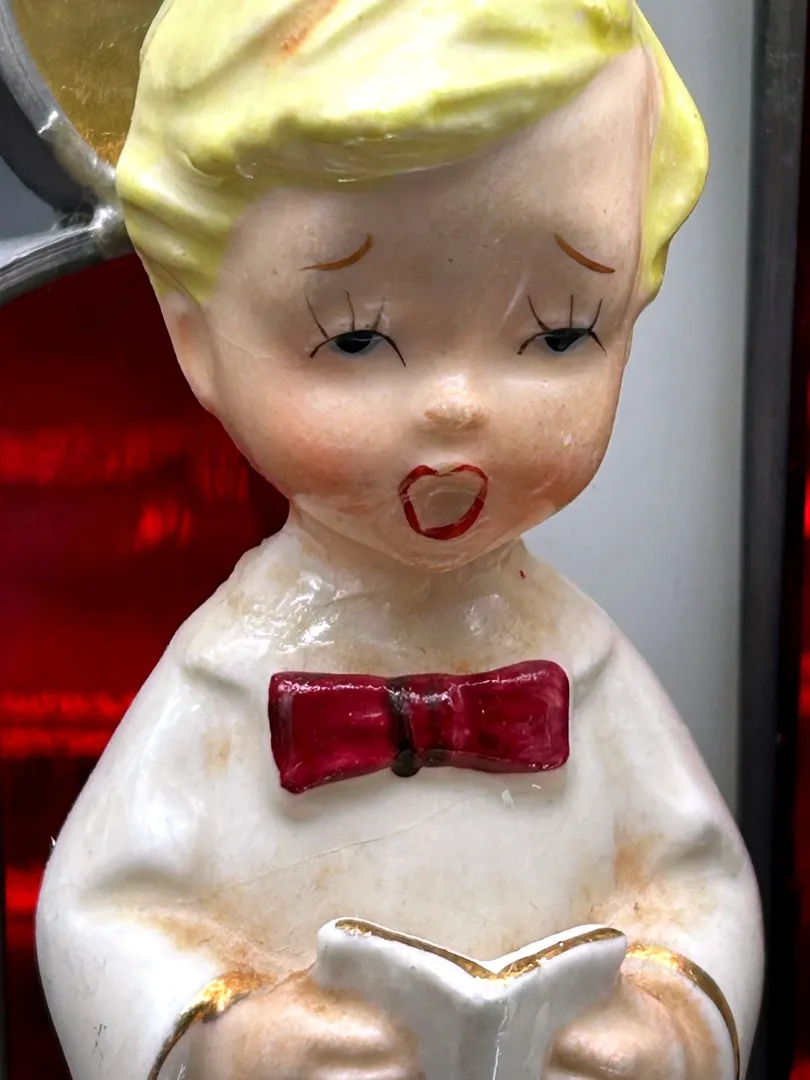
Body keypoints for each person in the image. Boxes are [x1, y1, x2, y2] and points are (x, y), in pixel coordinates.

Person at [36, 2, 763, 1078]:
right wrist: (227, 1043)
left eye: (562, 330)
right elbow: (100, 914)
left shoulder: (580, 663)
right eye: (355, 338)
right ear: (197, 336)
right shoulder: (228, 675)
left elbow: (699, 884)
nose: (459, 404)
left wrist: (669, 1023)